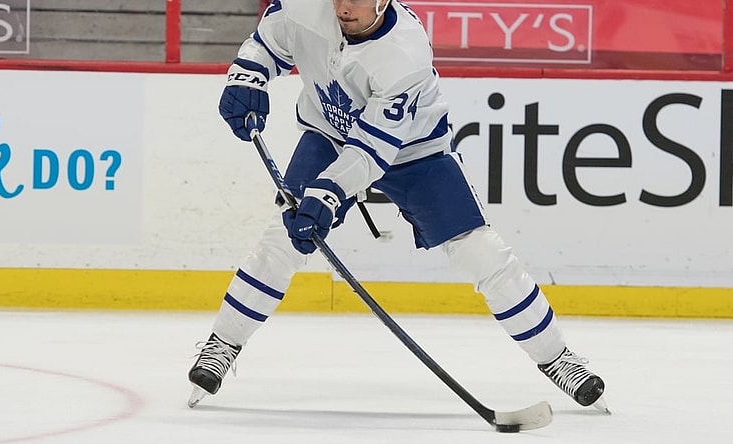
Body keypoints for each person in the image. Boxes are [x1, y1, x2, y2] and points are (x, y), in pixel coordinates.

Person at [188, 0, 608, 413]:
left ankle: (557, 357)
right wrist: (247, 75)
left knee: (481, 253)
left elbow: (372, 149)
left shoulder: (404, 51)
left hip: (412, 151)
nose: (342, 8)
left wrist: (329, 192)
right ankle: (222, 344)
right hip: (327, 136)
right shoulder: (303, 6)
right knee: (283, 240)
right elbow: (267, 42)